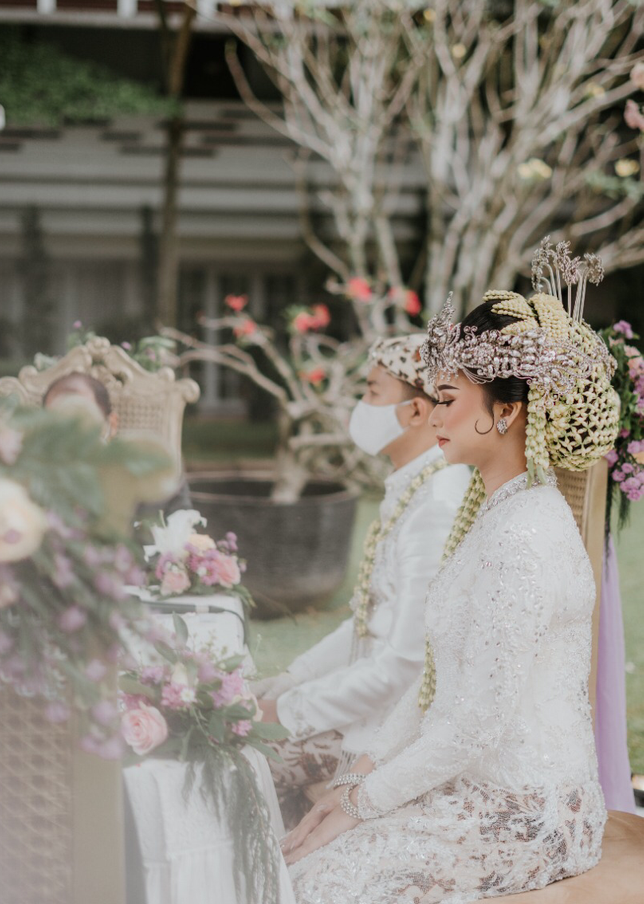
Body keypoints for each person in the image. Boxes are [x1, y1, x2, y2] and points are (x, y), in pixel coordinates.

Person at [282, 240, 620, 903]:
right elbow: (437, 686)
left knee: (321, 879)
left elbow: (475, 726)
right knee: (294, 849)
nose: (432, 415)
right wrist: (360, 780)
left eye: (447, 398)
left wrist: (360, 803)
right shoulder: (490, 513)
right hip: (476, 784)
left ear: (506, 409)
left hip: (531, 813)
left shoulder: (522, 534)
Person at [255, 335, 470, 830]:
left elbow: (403, 664)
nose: (360, 407)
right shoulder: (412, 485)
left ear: (417, 412)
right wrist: (291, 679)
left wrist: (286, 709)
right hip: (363, 701)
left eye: (372, 393)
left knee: (233, 758)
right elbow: (368, 622)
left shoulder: (436, 506)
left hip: (390, 729)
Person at [43, 371, 193, 518]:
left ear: (111, 425)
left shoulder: (158, 475)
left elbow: (183, 537)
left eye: (81, 419)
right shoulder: (28, 479)